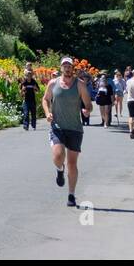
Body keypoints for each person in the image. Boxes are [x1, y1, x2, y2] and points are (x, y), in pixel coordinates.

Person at [43, 57, 94, 208]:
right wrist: (47, 113)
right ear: (60, 68)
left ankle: (71, 195)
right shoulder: (53, 83)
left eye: (69, 66)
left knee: (72, 163)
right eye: (64, 66)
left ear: (73, 68)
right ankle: (59, 169)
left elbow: (89, 104)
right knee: (58, 156)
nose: (67, 68)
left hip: (75, 128)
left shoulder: (80, 85)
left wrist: (87, 111)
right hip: (57, 126)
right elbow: (45, 100)